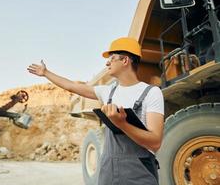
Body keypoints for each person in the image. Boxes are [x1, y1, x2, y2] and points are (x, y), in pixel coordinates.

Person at [27, 37, 164, 185]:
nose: (107, 62)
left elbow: (155, 142)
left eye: (112, 58)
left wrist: (122, 124)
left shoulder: (151, 92)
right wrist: (46, 73)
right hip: (108, 169)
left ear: (125, 60)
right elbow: (71, 86)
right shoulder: (107, 92)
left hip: (138, 171)